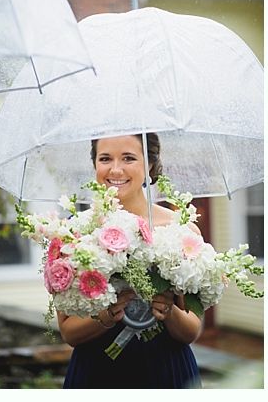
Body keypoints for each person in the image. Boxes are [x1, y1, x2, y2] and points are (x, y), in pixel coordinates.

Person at [58, 133, 203, 388]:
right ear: (95, 165)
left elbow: (191, 330)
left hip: (167, 371)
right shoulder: (75, 232)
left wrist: (168, 311)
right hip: (97, 373)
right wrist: (105, 316)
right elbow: (68, 332)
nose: (115, 169)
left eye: (128, 158)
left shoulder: (181, 231)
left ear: (149, 165)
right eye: (105, 158)